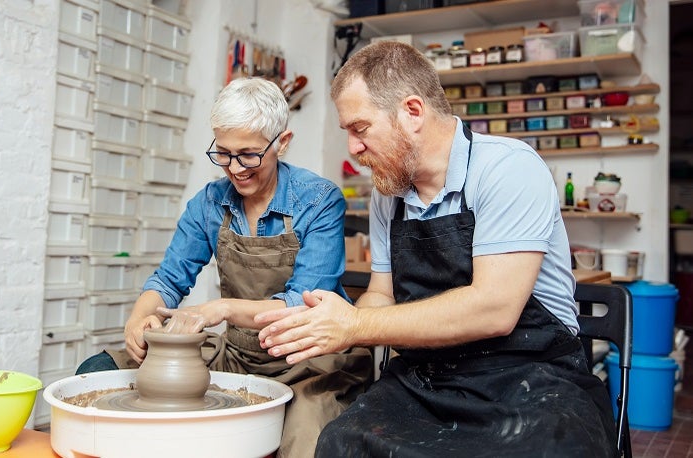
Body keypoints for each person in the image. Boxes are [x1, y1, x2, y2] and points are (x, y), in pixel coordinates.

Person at [255, 41, 618, 457]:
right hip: (428, 376)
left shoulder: (507, 168)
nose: (353, 148)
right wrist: (331, 322)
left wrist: (356, 327)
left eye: (360, 129)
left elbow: (495, 309)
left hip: (532, 377)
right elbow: (382, 294)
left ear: (412, 112)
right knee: (341, 442)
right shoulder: (387, 195)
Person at [76, 77, 373, 458]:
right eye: (224, 153)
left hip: (311, 361)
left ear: (282, 142)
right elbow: (169, 278)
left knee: (304, 444)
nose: (235, 168)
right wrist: (138, 318)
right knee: (97, 370)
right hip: (237, 354)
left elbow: (301, 304)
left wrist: (220, 308)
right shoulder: (210, 202)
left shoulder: (318, 200)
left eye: (249, 154)